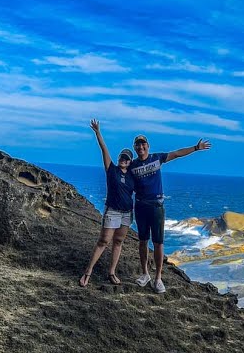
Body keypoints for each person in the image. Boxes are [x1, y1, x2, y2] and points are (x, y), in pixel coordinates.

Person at [127, 132, 211, 292]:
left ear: (147, 146)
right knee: (143, 241)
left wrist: (195, 148)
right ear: (135, 147)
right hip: (140, 207)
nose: (140, 146)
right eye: (137, 144)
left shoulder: (156, 158)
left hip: (156, 207)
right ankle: (145, 274)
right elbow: (120, 176)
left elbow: (177, 154)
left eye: (143, 143)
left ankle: (158, 278)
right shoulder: (132, 165)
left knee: (158, 243)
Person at [78, 119, 135, 287]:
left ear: (130, 162)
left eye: (127, 158)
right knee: (104, 241)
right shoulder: (112, 170)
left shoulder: (132, 176)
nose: (124, 159)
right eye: (122, 157)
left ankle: (112, 272)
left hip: (126, 214)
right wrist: (98, 133)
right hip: (112, 211)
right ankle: (87, 273)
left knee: (118, 242)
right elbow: (104, 149)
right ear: (118, 159)